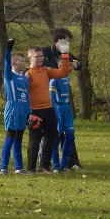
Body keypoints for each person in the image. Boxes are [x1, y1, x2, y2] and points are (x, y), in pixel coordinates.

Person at [25, 43, 71, 173]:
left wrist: (65, 55)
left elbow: (64, 72)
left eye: (41, 56)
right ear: (30, 58)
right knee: (35, 139)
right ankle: (31, 168)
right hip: (35, 111)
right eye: (37, 56)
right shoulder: (28, 74)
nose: (40, 58)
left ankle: (44, 166)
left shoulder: (46, 71)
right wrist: (28, 113)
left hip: (49, 109)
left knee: (52, 136)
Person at [42, 27, 83, 169]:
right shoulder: (45, 52)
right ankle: (47, 160)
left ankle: (71, 162)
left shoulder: (67, 54)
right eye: (66, 41)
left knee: (69, 133)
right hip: (49, 95)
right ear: (57, 42)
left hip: (64, 97)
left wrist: (75, 64)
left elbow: (79, 63)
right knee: (52, 133)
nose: (68, 45)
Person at [0, 38, 31, 174]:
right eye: (21, 61)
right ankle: (3, 167)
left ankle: (19, 167)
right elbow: (6, 63)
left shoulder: (24, 77)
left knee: (19, 138)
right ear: (13, 63)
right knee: (10, 137)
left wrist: (30, 112)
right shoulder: (9, 76)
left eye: (25, 61)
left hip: (23, 110)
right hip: (13, 109)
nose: (24, 64)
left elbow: (27, 96)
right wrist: (8, 49)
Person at [50, 65, 75, 171]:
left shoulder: (67, 78)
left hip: (66, 109)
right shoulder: (54, 79)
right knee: (56, 138)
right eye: (68, 65)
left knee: (70, 137)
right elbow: (51, 97)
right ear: (61, 66)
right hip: (58, 108)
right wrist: (54, 112)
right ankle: (56, 165)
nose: (71, 67)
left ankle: (64, 164)